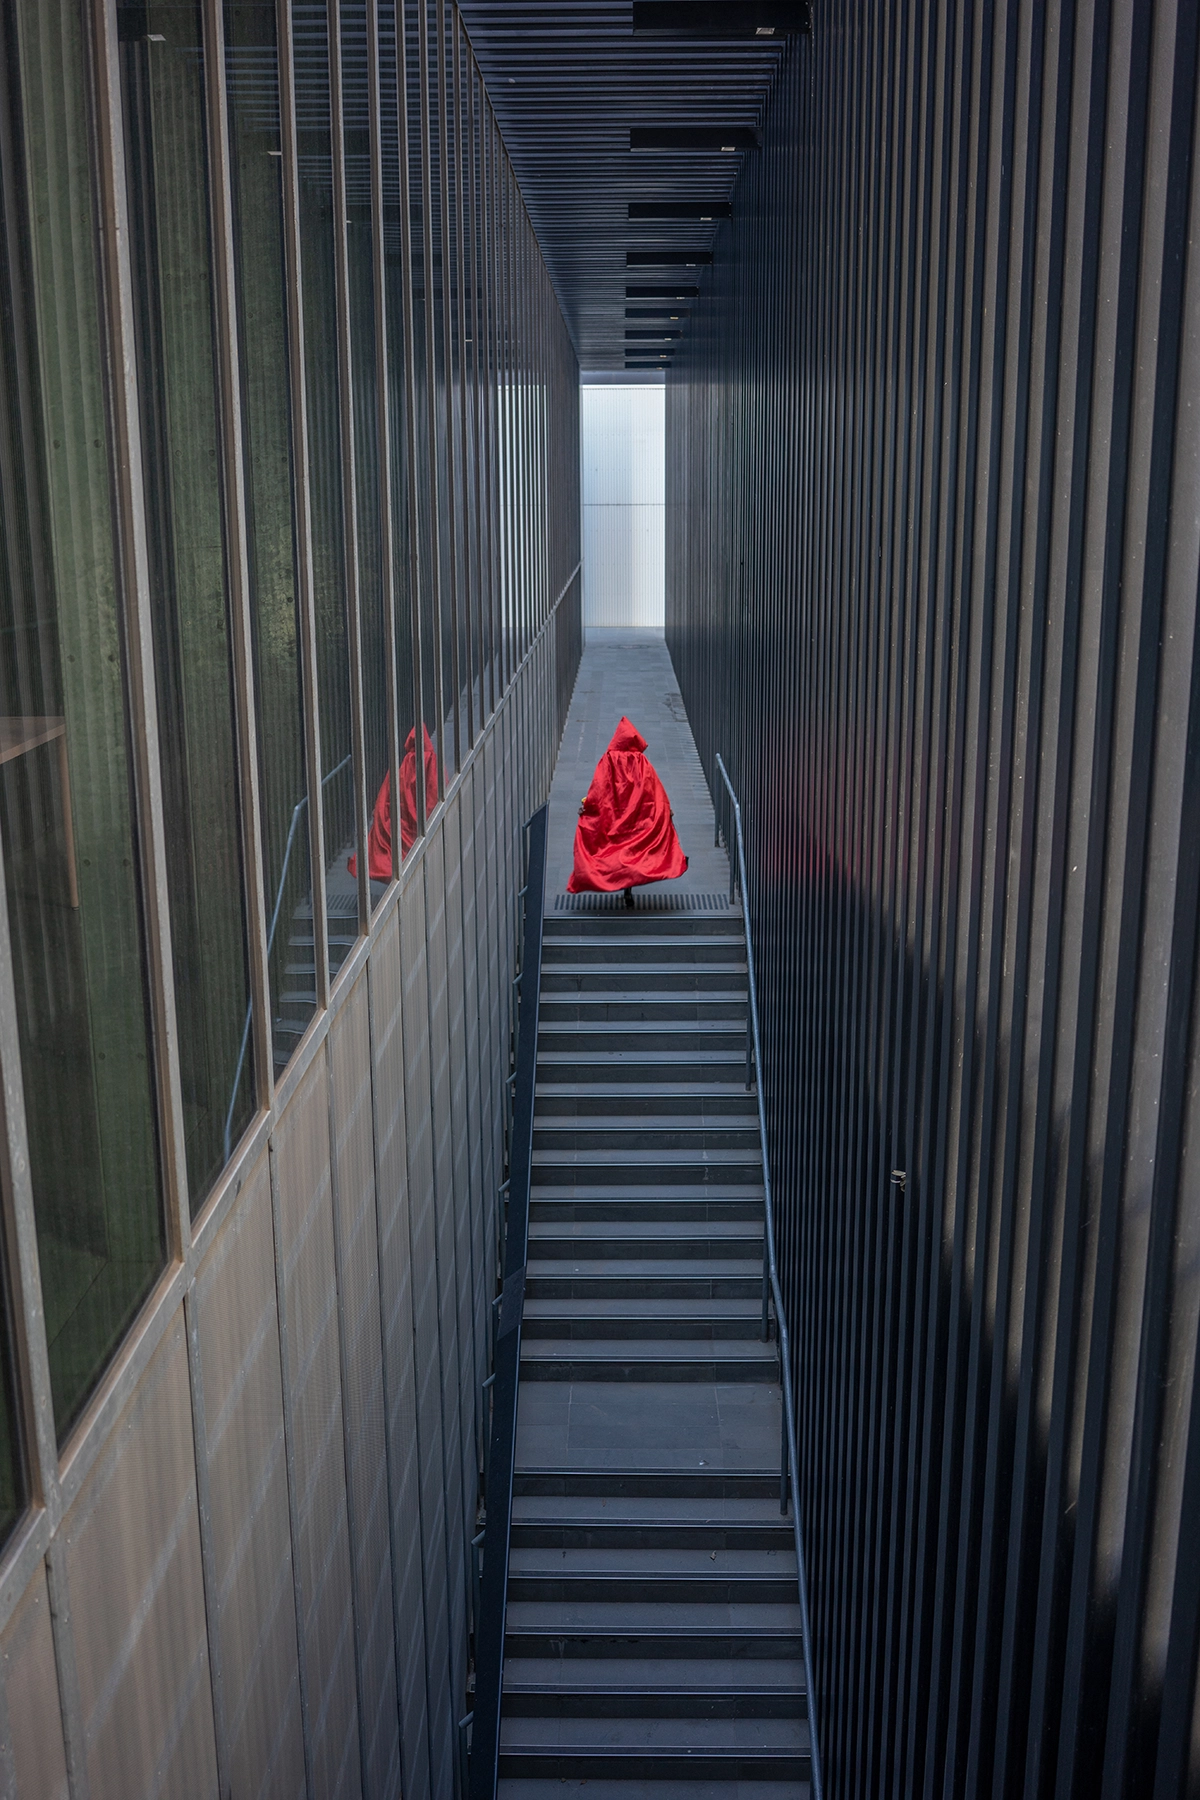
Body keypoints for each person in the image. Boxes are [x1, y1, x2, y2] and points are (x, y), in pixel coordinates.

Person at [568, 716, 688, 904]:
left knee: (614, 848)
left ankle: (618, 881)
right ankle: (628, 887)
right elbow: (653, 789)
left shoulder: (608, 760)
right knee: (633, 848)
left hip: (614, 816)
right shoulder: (642, 763)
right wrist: (665, 809)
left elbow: (599, 787)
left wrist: (589, 806)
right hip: (637, 819)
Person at [349, 723, 439, 880]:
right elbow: (434, 791)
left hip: (405, 820)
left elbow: (391, 791)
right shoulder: (430, 760)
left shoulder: (406, 763)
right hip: (418, 819)